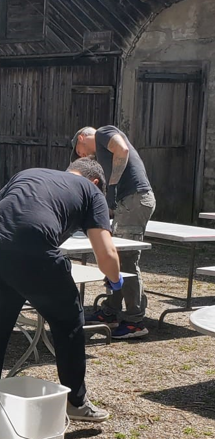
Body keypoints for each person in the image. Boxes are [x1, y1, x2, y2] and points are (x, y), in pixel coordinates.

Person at [0, 158, 122, 437]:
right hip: (34, 245)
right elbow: (106, 252)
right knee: (68, 323)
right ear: (96, 181)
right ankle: (76, 402)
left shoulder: (29, 174)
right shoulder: (91, 192)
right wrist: (115, 280)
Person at [73, 126, 155, 339]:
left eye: (80, 151)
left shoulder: (103, 132)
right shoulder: (102, 153)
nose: (83, 156)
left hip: (134, 200)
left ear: (82, 138)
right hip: (127, 201)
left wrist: (112, 187)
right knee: (115, 256)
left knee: (126, 259)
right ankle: (111, 311)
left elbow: (122, 149)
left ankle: (135, 321)